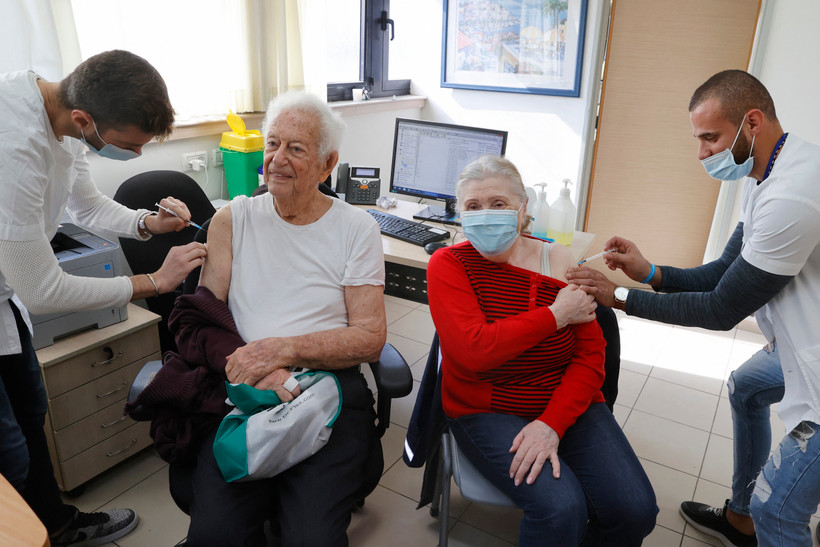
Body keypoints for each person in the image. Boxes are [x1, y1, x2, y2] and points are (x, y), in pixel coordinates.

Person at [566, 69, 820, 546]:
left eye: (709, 137)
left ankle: (759, 517)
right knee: (748, 387)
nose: (701, 152)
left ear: (752, 122)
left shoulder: (792, 195)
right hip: (799, 339)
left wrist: (617, 297)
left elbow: (721, 309)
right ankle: (738, 519)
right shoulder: (768, 168)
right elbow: (724, 270)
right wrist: (648, 272)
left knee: (779, 511)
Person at [0, 50, 207, 545]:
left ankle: (59, 526)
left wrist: (146, 223)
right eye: (128, 145)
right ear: (84, 119)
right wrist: (153, 283)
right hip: (19, 285)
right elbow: (43, 288)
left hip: (6, 299)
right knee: (8, 454)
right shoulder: (15, 149)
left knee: (30, 415)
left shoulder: (62, 115)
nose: (136, 157)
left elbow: (86, 205)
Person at [180, 90, 387, 546]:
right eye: (273, 144)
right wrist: (258, 364)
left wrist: (286, 350)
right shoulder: (233, 219)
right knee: (214, 536)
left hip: (326, 387)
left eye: (296, 148)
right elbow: (202, 320)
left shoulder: (356, 228)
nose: (277, 159)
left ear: (327, 163)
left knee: (312, 538)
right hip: (245, 385)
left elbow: (370, 338)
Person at [426, 155, 657, 546]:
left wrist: (552, 423)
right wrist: (555, 315)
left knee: (635, 510)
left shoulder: (560, 260)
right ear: (459, 214)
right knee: (560, 507)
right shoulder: (449, 264)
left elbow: (589, 356)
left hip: (565, 400)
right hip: (488, 407)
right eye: (473, 206)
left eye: (498, 204)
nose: (486, 214)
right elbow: (473, 352)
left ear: (523, 209)